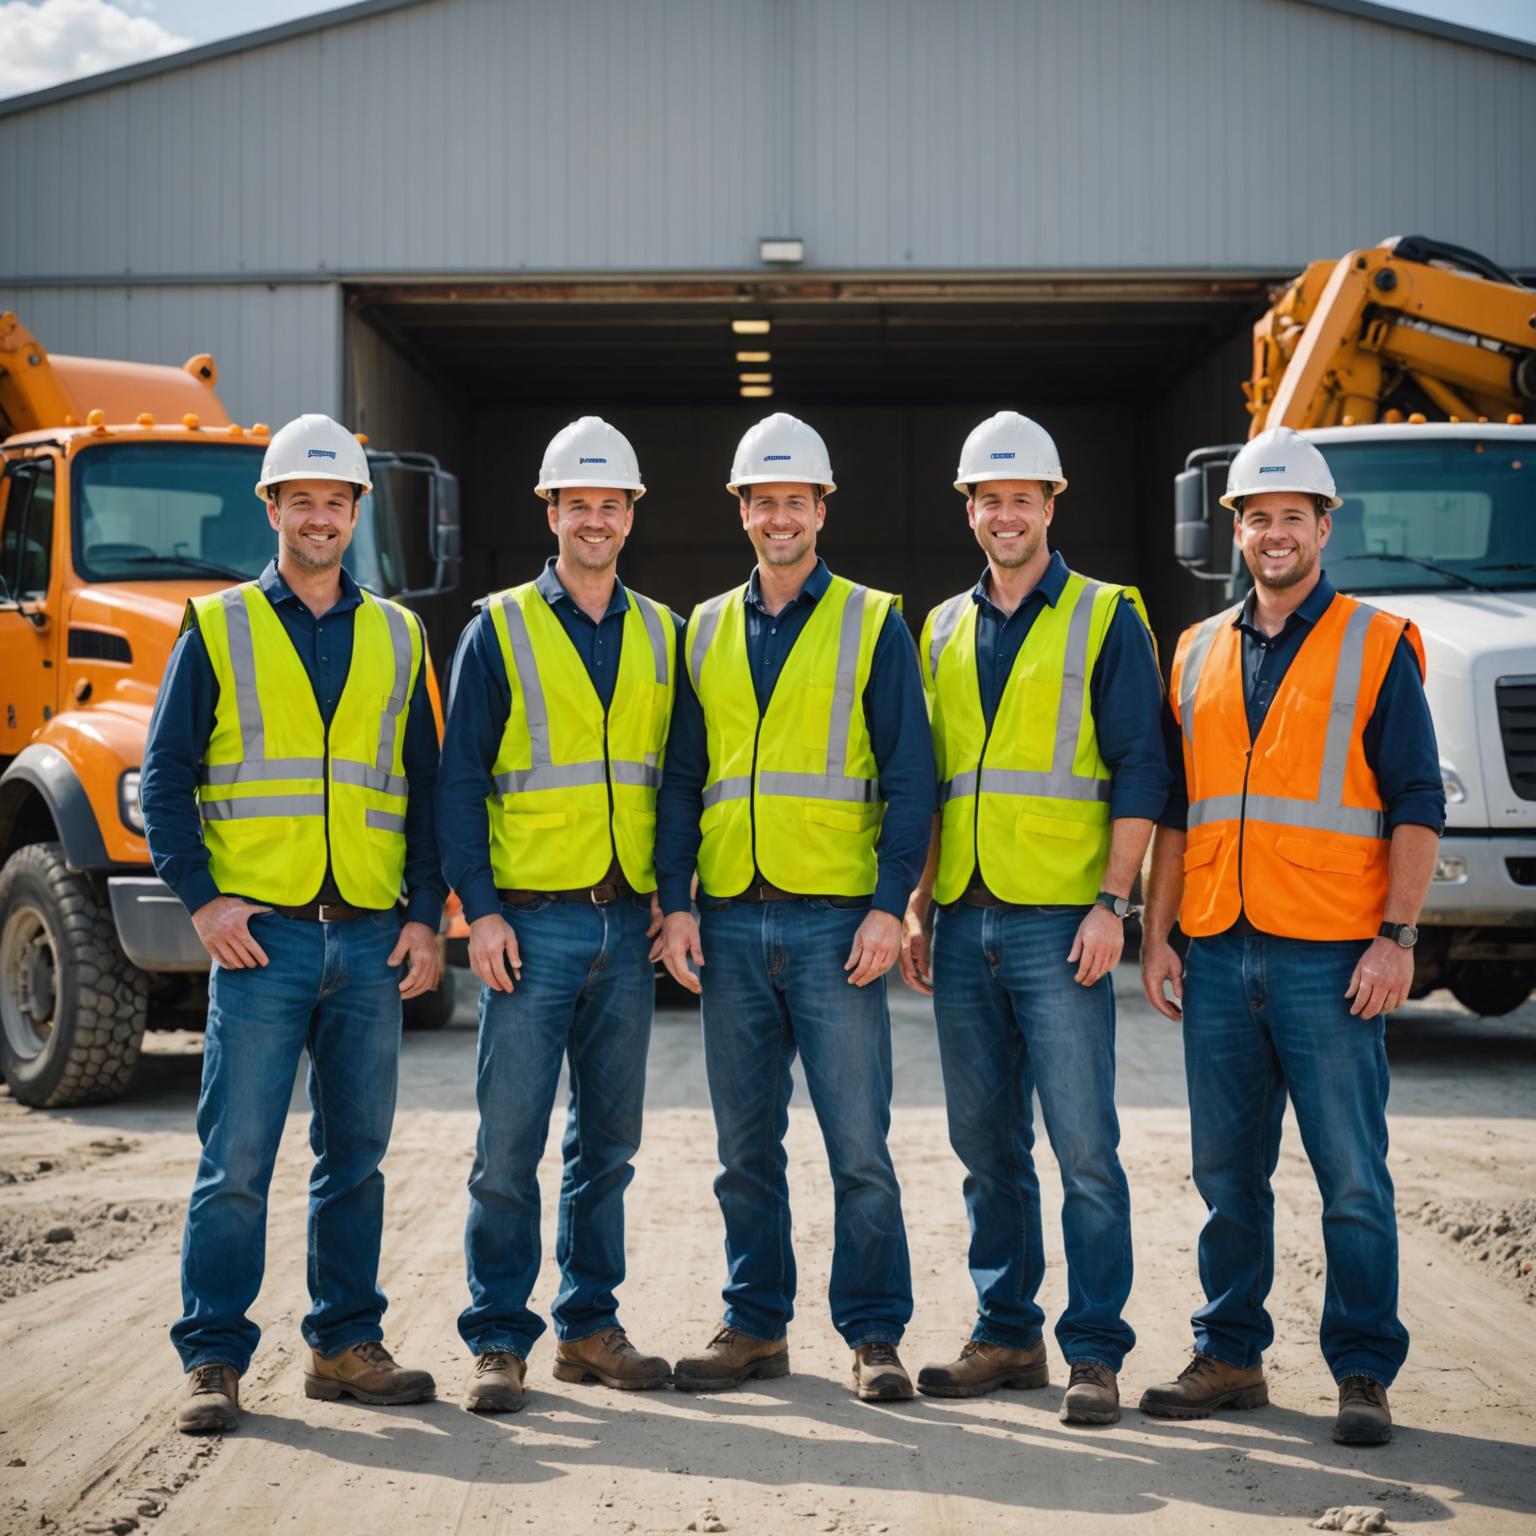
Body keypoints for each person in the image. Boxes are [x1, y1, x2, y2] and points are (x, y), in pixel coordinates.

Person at [1137, 425, 1443, 1447]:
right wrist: (1158, 935)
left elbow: (1416, 802)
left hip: (1333, 956)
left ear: (1324, 527)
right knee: (1227, 1177)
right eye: (1258, 517)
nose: (1275, 533)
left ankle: (1362, 1370)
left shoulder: (1376, 642)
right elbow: (1178, 809)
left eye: (1293, 517)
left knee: (1351, 1177)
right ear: (1237, 530)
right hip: (1220, 949)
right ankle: (1230, 1355)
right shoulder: (1196, 650)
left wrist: (1398, 936)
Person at [143, 413, 446, 1434]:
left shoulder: (399, 634)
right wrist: (202, 898)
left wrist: (425, 916)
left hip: (367, 936)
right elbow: (164, 777)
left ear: (357, 513)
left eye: (336, 501)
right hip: (261, 941)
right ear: (271, 508)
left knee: (355, 1159)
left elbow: (423, 784)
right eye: (302, 499)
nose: (320, 517)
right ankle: (213, 1358)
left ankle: (343, 1345)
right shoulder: (218, 625)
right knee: (237, 1161)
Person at [656, 413, 935, 1401]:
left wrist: (888, 906)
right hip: (731, 921)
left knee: (859, 1148)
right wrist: (676, 904)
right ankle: (755, 1326)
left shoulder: (872, 620)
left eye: (796, 501)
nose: (780, 517)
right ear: (741, 510)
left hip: (835, 926)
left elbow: (911, 777)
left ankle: (873, 1334)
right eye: (763, 501)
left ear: (822, 509)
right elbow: (682, 778)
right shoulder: (703, 629)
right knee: (744, 1151)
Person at [899, 412, 1168, 1425]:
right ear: (968, 511)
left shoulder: (1107, 615)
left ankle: (1093, 1350)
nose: (1005, 514)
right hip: (965, 917)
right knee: (987, 1149)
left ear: (1052, 505)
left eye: (1022, 497)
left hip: (1064, 925)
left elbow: (1142, 769)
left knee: (1084, 1148)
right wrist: (919, 903)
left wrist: (1113, 903)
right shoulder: (941, 628)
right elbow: (932, 782)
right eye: (988, 499)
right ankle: (1006, 1333)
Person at [438, 418, 679, 1413]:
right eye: (577, 503)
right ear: (551, 513)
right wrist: (480, 913)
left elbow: (678, 781)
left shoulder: (662, 633)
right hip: (528, 929)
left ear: (630, 516)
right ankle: (499, 1337)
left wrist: (672, 898)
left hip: (625, 926)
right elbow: (458, 783)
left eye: (609, 505)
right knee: (509, 1147)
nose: (594, 520)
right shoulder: (496, 630)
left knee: (607, 1147)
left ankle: (588, 1327)